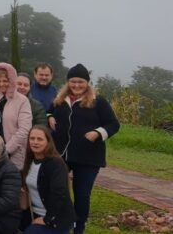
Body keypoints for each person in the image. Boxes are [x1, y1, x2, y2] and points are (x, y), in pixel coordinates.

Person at [48, 63, 120, 234]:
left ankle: (79, 227)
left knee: (81, 195)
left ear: (87, 82)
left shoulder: (98, 101)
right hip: (62, 155)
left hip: (88, 157)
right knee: (57, 190)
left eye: (81, 81)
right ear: (68, 82)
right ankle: (59, 221)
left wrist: (98, 132)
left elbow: (113, 124)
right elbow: (49, 111)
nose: (76, 85)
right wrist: (49, 116)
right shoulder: (59, 100)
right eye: (73, 81)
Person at [21, 125, 76, 234]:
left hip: (56, 218)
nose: (35, 142)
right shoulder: (30, 161)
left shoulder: (56, 164)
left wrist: (47, 219)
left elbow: (59, 193)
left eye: (40, 139)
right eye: (32, 138)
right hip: (34, 213)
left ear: (48, 142)